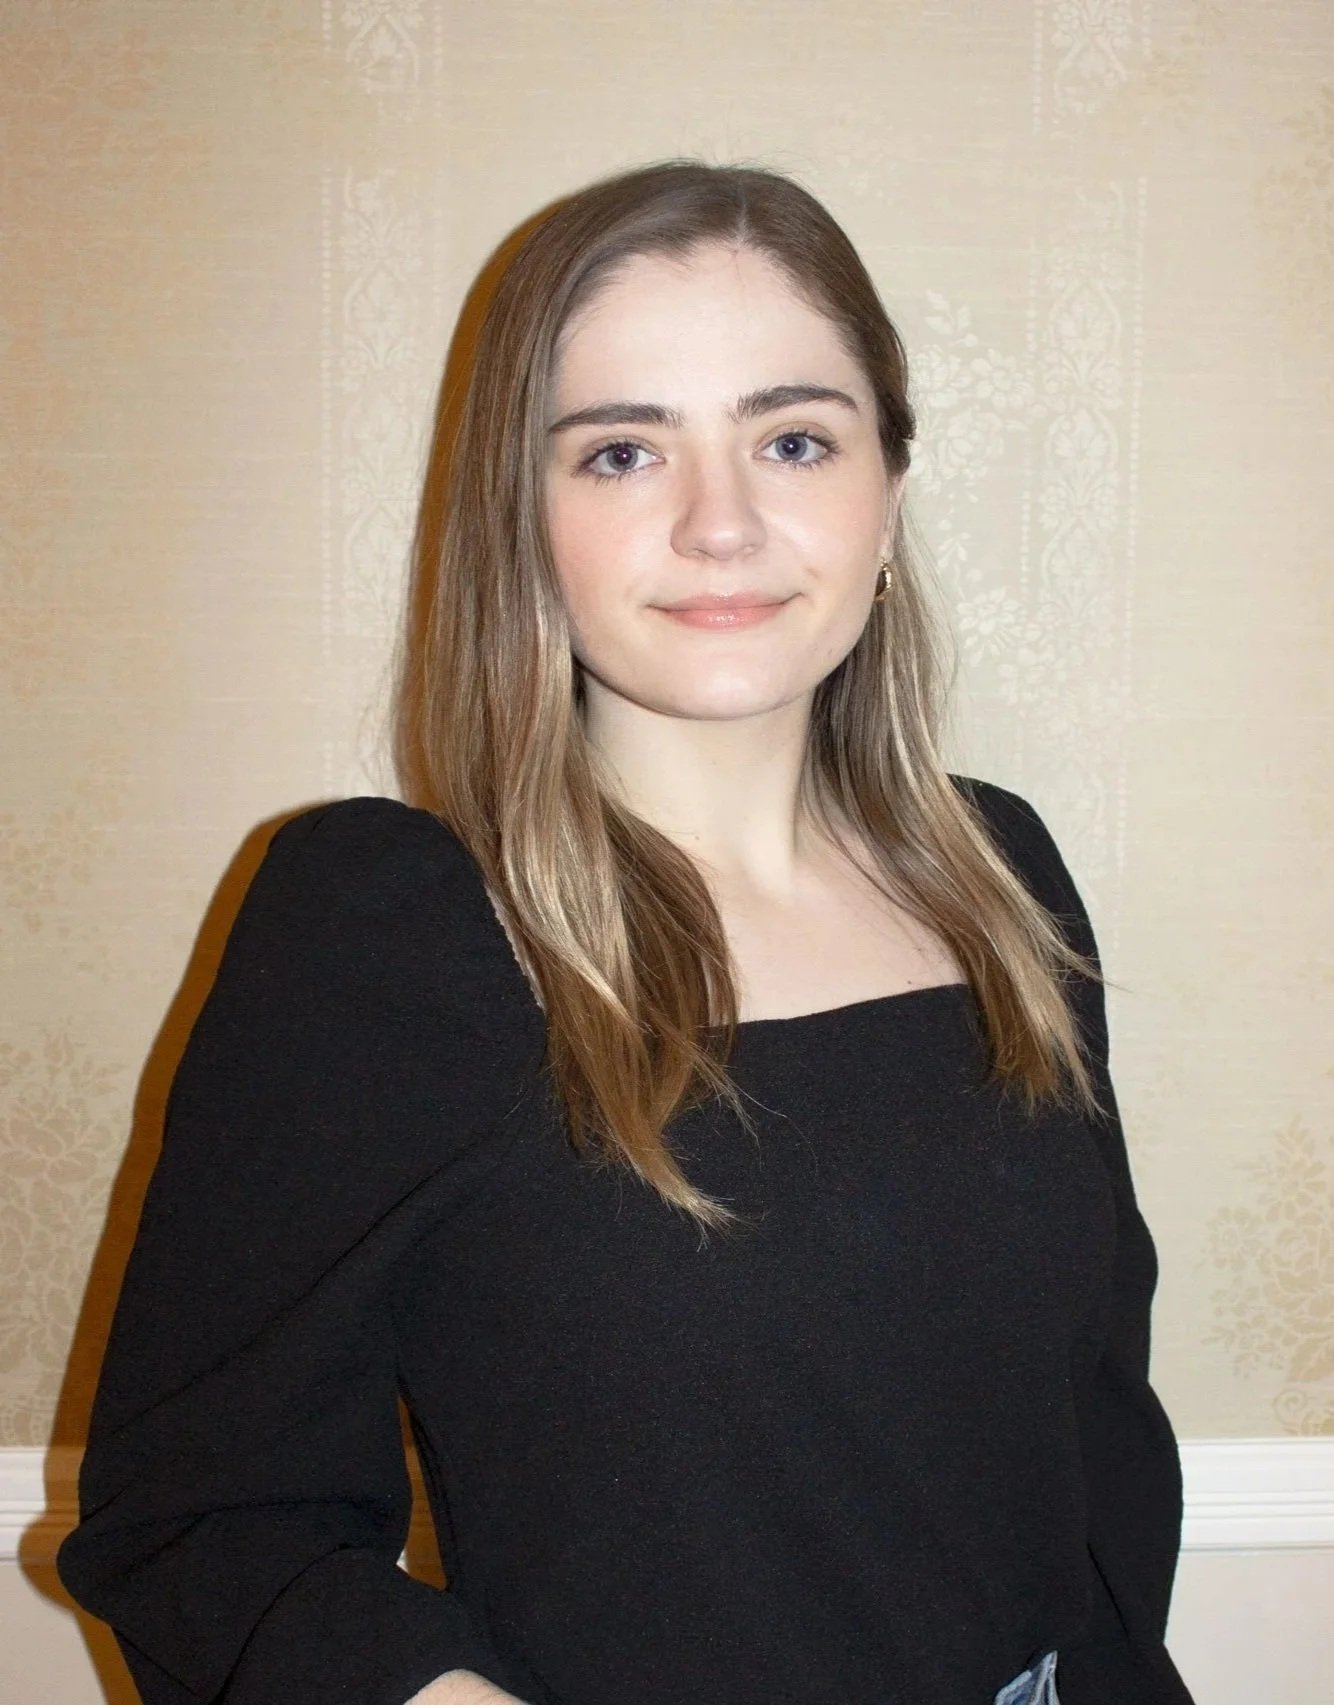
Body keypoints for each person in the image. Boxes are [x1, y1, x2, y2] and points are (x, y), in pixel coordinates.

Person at [57, 158, 1195, 1705]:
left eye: (792, 439)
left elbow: (1097, 1443)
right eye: (618, 454)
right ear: (519, 519)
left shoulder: (1001, 879)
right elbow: (202, 1519)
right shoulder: (388, 932)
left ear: (885, 497)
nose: (720, 523)